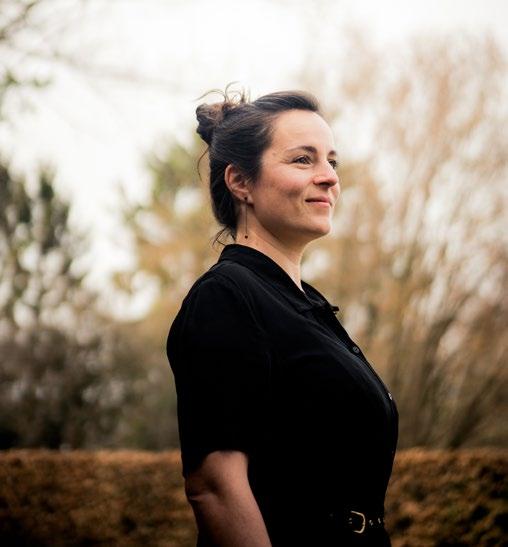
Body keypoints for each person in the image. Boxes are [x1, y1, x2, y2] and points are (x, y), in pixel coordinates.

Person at [166, 86, 399, 547]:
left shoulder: (306, 305)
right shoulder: (227, 297)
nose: (329, 177)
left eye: (333, 161)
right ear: (240, 182)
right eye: (303, 160)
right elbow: (215, 488)